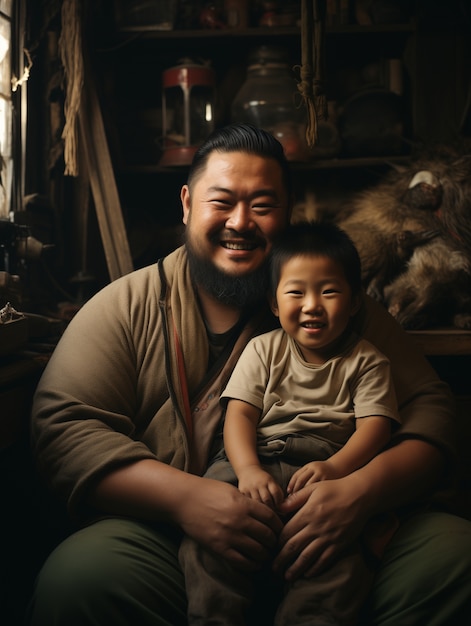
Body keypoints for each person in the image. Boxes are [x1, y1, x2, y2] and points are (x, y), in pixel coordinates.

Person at [27, 124, 471, 626]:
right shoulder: (129, 306)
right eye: (222, 202)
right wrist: (189, 500)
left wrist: (360, 492)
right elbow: (63, 428)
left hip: (338, 529)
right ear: (187, 203)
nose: (241, 222)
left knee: (456, 559)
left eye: (263, 205)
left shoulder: (340, 310)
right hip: (176, 538)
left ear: (289, 211)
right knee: (80, 577)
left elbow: (431, 411)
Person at [179, 220, 401, 625]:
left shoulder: (367, 361)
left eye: (329, 291)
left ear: (354, 302)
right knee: (208, 544)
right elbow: (239, 415)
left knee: (339, 565)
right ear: (274, 303)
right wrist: (246, 471)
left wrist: (336, 468)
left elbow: (375, 428)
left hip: (327, 473)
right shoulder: (263, 350)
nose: (312, 304)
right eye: (296, 292)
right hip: (254, 461)